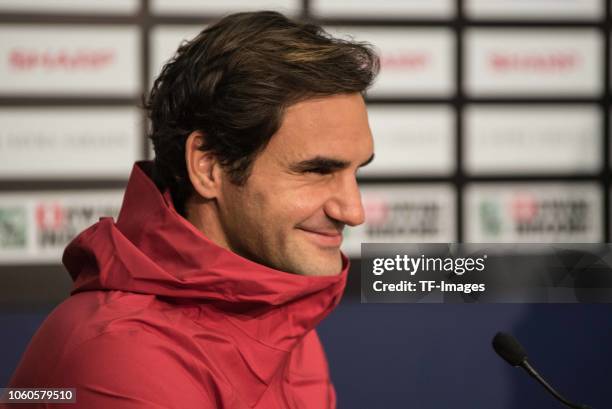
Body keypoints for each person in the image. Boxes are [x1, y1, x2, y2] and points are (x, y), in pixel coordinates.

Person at [5, 11, 378, 409]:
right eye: (318, 170)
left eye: (355, 172)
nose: (354, 212)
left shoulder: (288, 315)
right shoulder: (120, 355)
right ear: (208, 165)